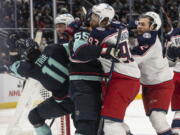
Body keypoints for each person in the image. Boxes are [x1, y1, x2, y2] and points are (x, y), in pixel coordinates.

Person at [69, 3, 140, 135]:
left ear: (105, 20)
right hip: (128, 78)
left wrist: (80, 30)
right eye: (93, 15)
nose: (92, 18)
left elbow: (79, 54)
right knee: (112, 120)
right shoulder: (120, 26)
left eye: (96, 17)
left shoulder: (98, 33)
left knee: (110, 125)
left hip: (123, 80)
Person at [4, 34, 74, 135]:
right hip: (82, 91)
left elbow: (12, 66)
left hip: (65, 102)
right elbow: (75, 48)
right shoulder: (52, 49)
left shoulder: (30, 68)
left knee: (34, 116)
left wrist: (12, 49)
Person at [131, 12, 174, 135]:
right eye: (139, 23)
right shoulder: (139, 38)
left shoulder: (151, 40)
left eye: (143, 24)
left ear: (153, 27)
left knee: (157, 119)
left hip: (161, 84)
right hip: (147, 85)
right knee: (154, 120)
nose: (139, 26)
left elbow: (134, 58)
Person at [164, 25, 180, 135]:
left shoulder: (174, 34)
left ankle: (175, 130)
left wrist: (170, 51)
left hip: (177, 75)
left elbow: (170, 62)